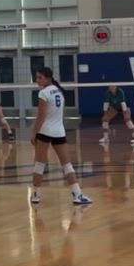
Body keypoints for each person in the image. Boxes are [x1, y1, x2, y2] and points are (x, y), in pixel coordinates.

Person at [29, 67, 92, 206]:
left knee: (39, 164)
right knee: (67, 164)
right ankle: (77, 194)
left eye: (39, 77)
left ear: (48, 78)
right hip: (59, 131)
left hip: (45, 131)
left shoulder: (43, 93)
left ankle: (36, 194)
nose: (37, 80)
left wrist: (34, 133)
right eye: (36, 77)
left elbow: (41, 116)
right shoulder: (59, 91)